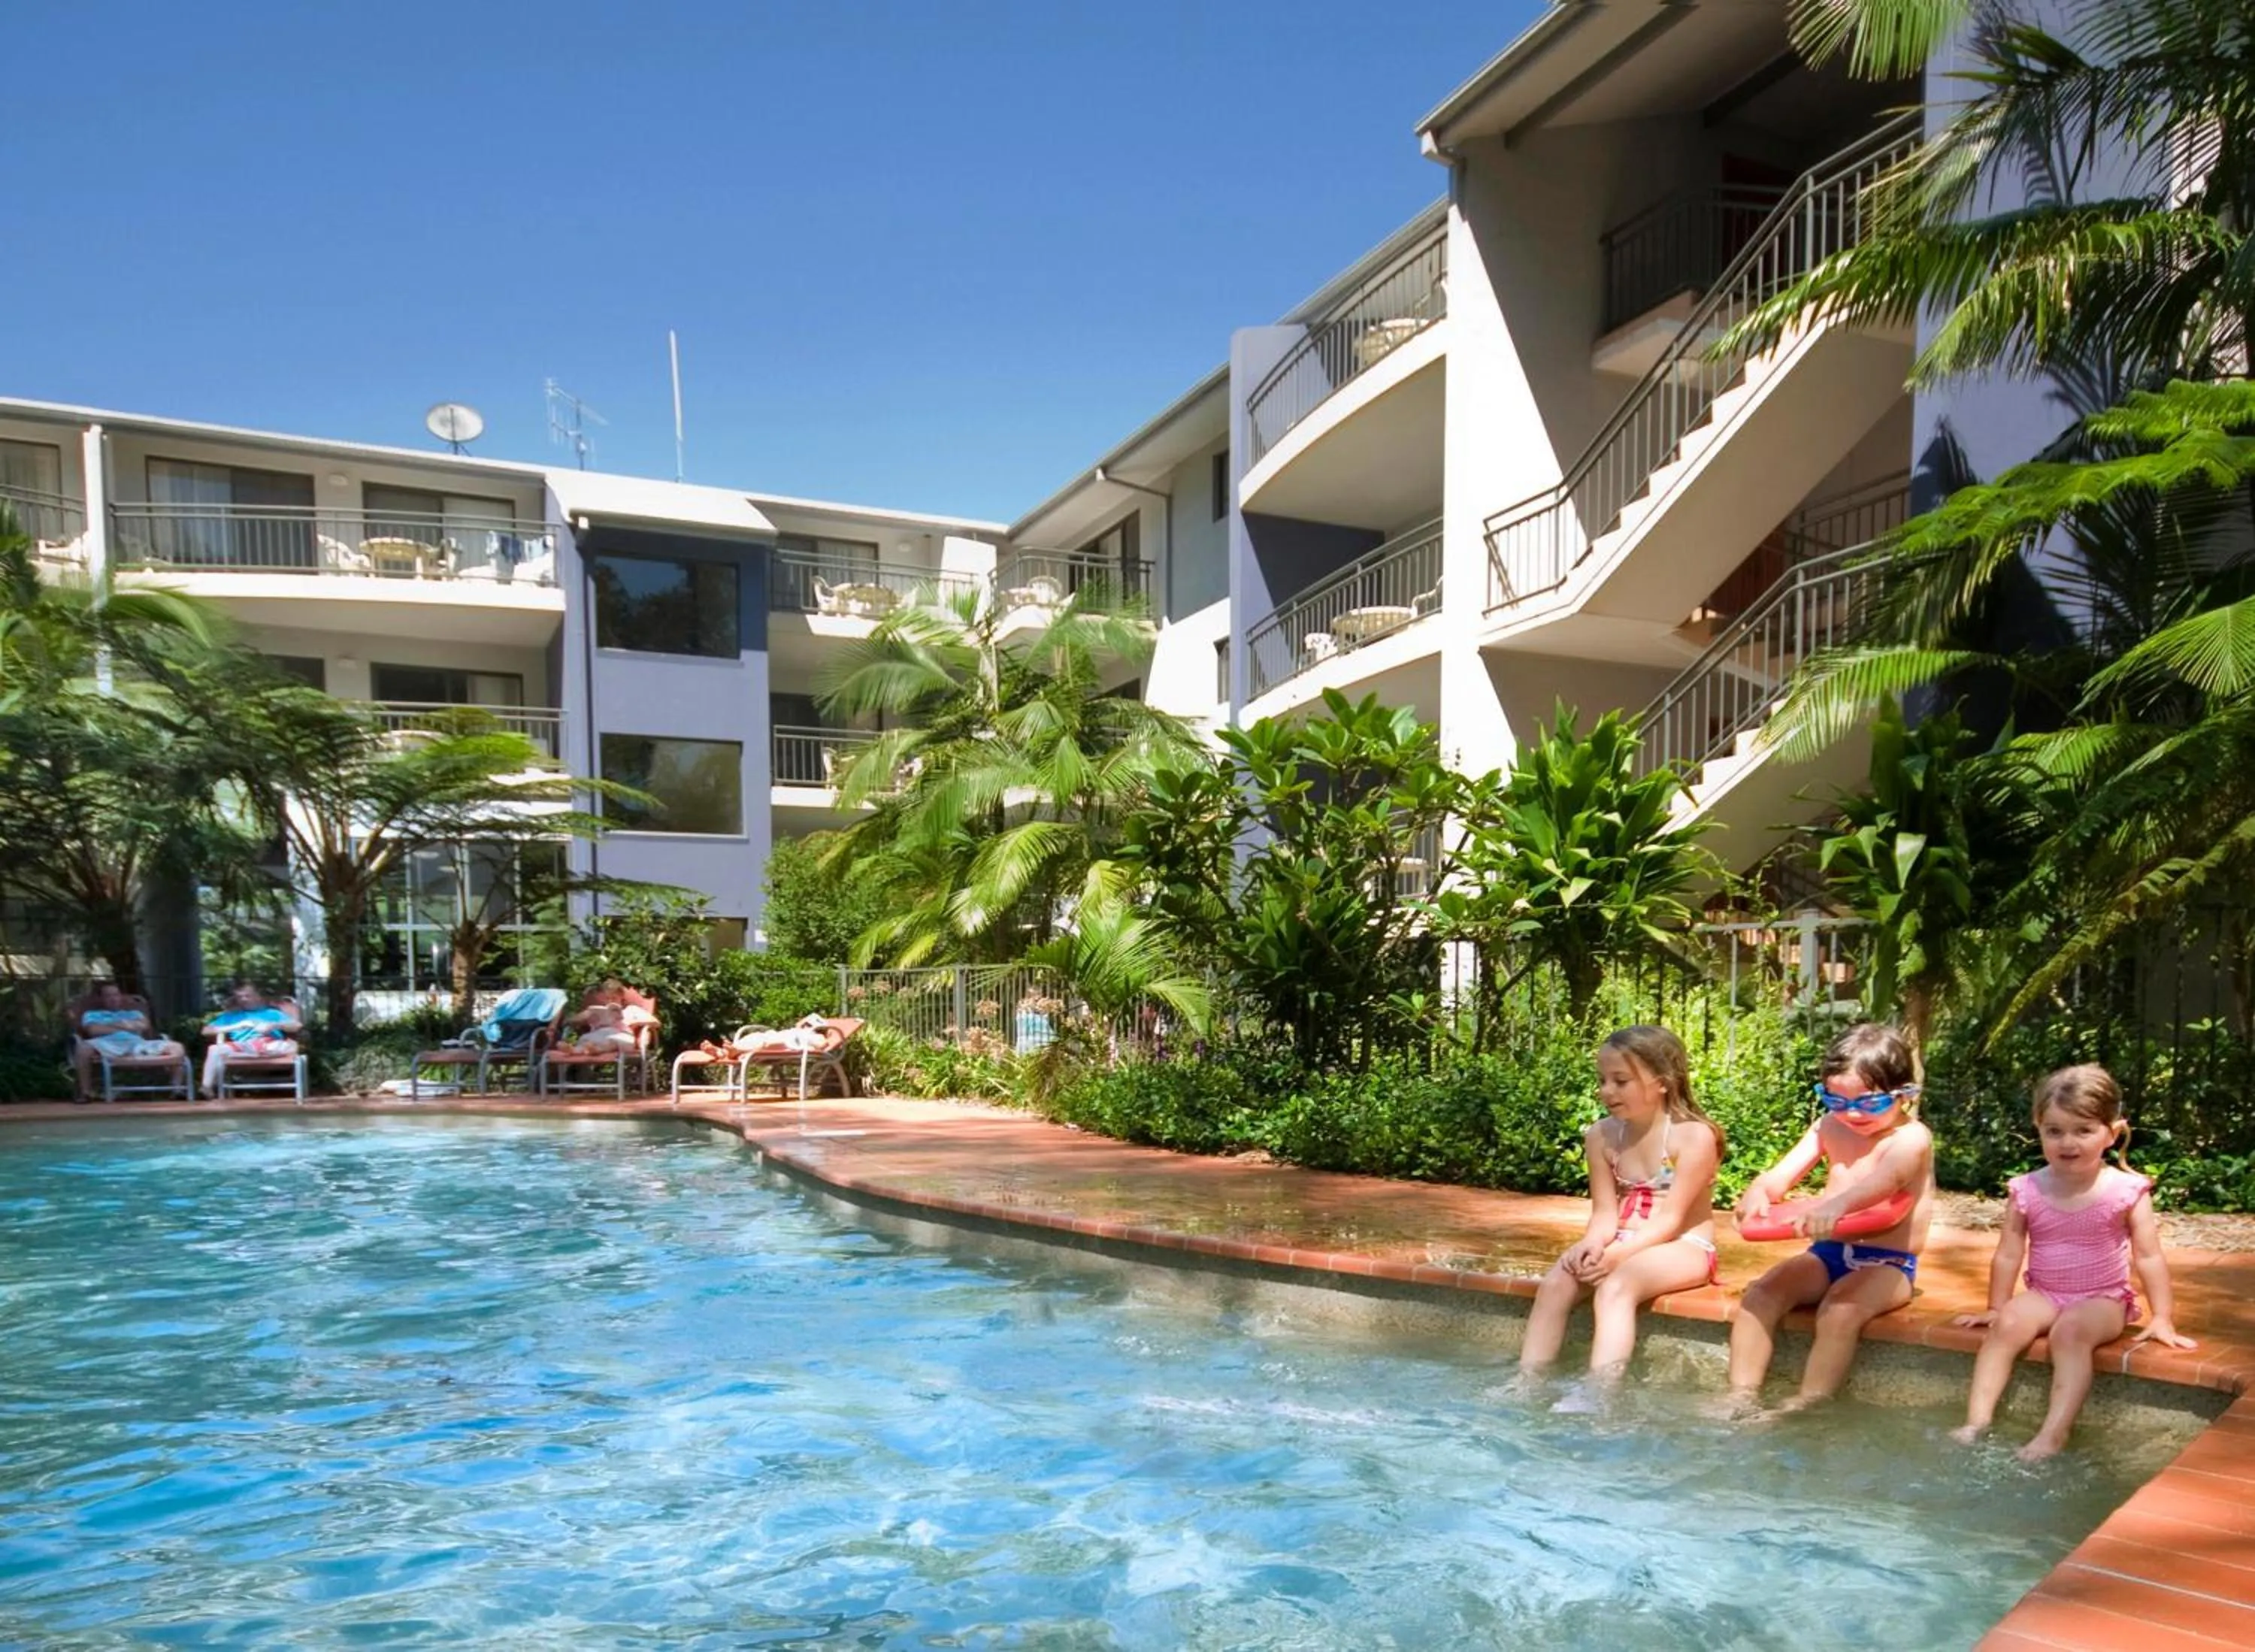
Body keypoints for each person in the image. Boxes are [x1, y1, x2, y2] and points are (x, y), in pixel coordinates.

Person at [1950, 1064, 2195, 1460]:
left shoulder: (2126, 1190)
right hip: (2046, 1293)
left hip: (2104, 1299)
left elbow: (2148, 1256)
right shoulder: (2027, 1189)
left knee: (2070, 1332)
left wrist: (2162, 1316)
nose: (2069, 1142)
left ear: (2111, 1134)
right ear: (2038, 1128)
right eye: (2055, 1131)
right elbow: (2009, 1251)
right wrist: (1995, 1307)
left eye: (2084, 1131)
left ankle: (2053, 1433)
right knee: (2009, 1323)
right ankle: (1976, 1422)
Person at [1725, 1022, 1935, 1411]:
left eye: (1868, 1103)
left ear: (1904, 1095)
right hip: (1828, 1254)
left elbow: (1888, 1183)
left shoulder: (1912, 1139)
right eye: (1837, 1102)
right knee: (1762, 1293)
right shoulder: (1828, 1126)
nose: (1852, 1114)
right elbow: (1781, 1176)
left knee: (1840, 1310)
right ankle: (1740, 1397)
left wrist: (1836, 1206)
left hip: (1888, 1264)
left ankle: (1807, 1404)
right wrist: (1759, 1191)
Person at [1518, 1025, 1726, 1384]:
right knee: (1557, 1282)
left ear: (1662, 1082)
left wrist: (1617, 1256)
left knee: (1617, 1287)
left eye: (1621, 1081)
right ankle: (1527, 1381)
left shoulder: (1693, 1136)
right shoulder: (1601, 1136)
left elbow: (1673, 1219)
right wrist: (1592, 1245)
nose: (1606, 1091)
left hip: (1683, 1246)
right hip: (1623, 1241)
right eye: (1602, 1080)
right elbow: (1604, 1213)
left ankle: (1601, 1392)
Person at [71, 983, 185, 1101]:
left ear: (121, 997)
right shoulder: (92, 1015)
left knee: (177, 1047)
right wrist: (128, 1025)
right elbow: (94, 1030)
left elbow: (144, 1026)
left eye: (116, 995)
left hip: (137, 1045)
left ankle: (176, 1090)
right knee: (83, 1048)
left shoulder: (134, 1013)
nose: (113, 999)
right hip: (108, 1045)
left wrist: (108, 1025)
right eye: (108, 996)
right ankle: (86, 1093)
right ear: (101, 999)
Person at [199, 984, 301, 1097]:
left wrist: (274, 1026)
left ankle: (260, 1051)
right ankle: (207, 1088)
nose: (243, 999)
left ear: (258, 997)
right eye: (239, 997)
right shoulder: (231, 1016)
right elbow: (206, 1031)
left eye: (247, 996)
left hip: (269, 1045)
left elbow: (296, 1026)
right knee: (214, 1049)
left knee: (288, 1047)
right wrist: (236, 1026)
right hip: (242, 1048)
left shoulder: (272, 1013)